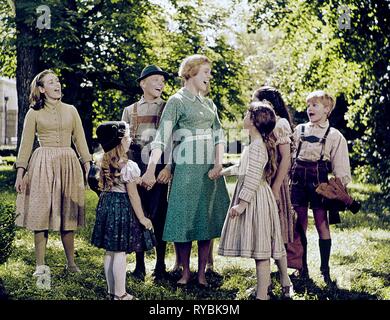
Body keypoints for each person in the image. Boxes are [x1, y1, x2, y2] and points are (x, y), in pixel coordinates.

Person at [142, 54, 230, 286]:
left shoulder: (209, 104)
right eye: (206, 72)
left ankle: (202, 274)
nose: (210, 77)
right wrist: (151, 169)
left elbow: (219, 135)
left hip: (208, 168)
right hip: (186, 168)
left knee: (206, 219)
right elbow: (161, 138)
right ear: (191, 72)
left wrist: (218, 163)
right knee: (183, 217)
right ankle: (185, 271)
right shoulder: (176, 101)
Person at [14, 70, 92, 288]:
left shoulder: (71, 110)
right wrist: (21, 172)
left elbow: (80, 139)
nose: (57, 84)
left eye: (57, 80)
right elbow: (26, 144)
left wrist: (87, 165)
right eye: (51, 82)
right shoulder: (33, 113)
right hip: (42, 164)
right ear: (41, 89)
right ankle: (40, 265)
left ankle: (71, 263)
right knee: (41, 214)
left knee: (68, 213)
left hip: (68, 163)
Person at [218, 101, 292, 300]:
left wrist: (241, 204)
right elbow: (243, 167)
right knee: (262, 246)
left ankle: (262, 296)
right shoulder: (255, 145)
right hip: (255, 196)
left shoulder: (258, 147)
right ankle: (266, 290)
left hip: (255, 198)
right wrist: (222, 172)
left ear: (254, 122)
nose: (243, 117)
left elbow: (252, 176)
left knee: (261, 250)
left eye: (246, 114)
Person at [290, 90, 352, 284]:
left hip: (320, 183)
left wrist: (340, 188)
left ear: (327, 110)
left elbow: (340, 164)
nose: (310, 109)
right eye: (308, 105)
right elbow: (290, 155)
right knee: (299, 224)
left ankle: (325, 268)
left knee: (321, 223)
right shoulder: (299, 130)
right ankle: (302, 267)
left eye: (315, 105)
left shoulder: (334, 135)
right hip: (298, 180)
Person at [91, 121, 153, 300]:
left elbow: (123, 183)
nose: (130, 139)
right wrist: (142, 218)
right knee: (120, 252)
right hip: (121, 209)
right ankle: (121, 294)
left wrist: (138, 180)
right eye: (127, 137)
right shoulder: (128, 166)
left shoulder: (104, 161)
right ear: (119, 142)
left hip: (107, 206)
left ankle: (111, 291)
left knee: (110, 251)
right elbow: (133, 195)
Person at [121, 65, 171, 281]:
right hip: (136, 168)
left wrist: (169, 167)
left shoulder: (168, 107)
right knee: (137, 214)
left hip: (159, 167)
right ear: (142, 83)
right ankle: (139, 265)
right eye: (156, 80)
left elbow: (174, 140)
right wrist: (127, 168)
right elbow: (123, 144)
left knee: (160, 216)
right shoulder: (130, 110)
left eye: (163, 80)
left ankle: (160, 265)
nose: (161, 84)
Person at [252, 87, 300, 282]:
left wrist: (276, 187)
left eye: (254, 101)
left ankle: (281, 277)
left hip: (275, 182)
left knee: (276, 228)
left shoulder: (279, 124)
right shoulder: (261, 124)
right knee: (264, 229)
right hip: (263, 179)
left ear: (267, 104)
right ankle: (268, 278)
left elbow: (286, 159)